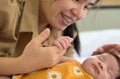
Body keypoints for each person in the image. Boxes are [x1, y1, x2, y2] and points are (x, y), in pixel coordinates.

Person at [0, 0, 101, 75]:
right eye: (76, 0)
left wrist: (95, 61)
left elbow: (66, 73)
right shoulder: (6, 8)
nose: (79, 14)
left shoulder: (65, 34)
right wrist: (23, 64)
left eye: (87, 7)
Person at [11, 36, 120, 79]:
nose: (102, 65)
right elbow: (49, 58)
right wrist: (57, 46)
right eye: (101, 59)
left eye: (109, 71)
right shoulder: (73, 63)